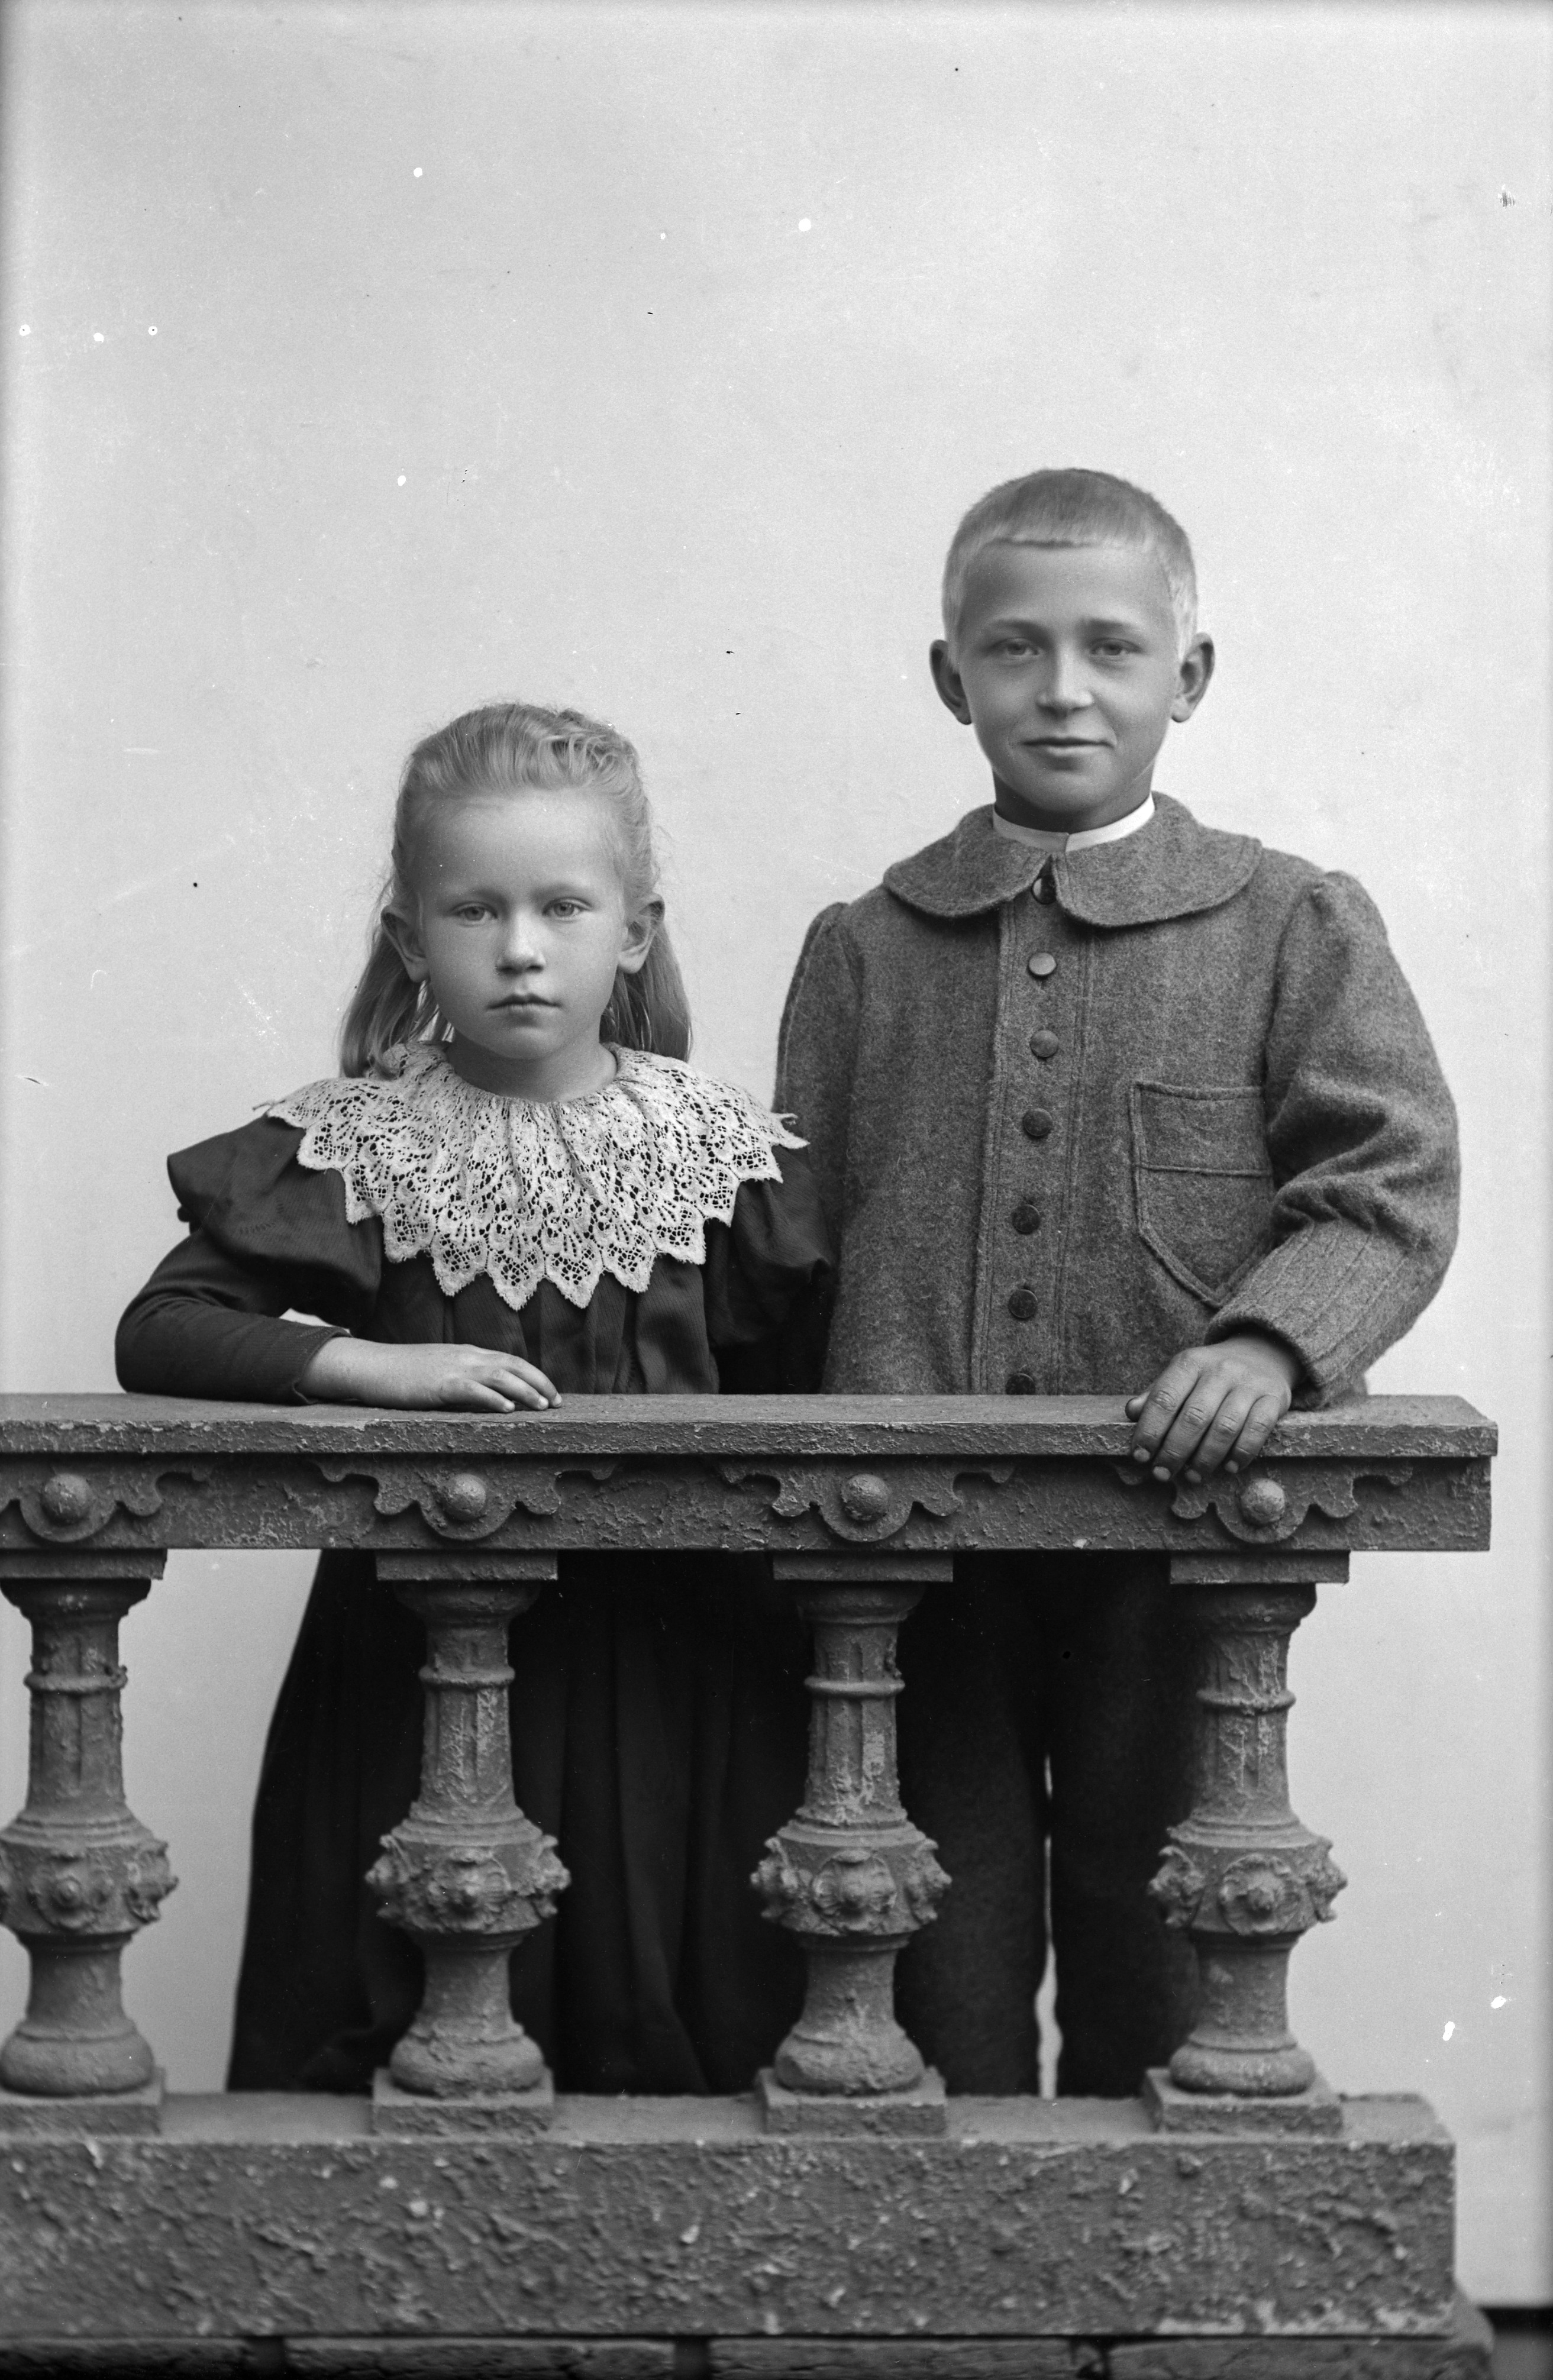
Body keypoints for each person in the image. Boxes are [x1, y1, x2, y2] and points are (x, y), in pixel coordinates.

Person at [775, 469, 1458, 2097]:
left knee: (1171, 1932)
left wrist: (1274, 1347)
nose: (1063, 689)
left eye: (1111, 648)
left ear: (1188, 675)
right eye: (1015, 649)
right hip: (910, 1552)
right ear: (951, 678)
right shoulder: (864, 947)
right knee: (920, 1932)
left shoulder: (1291, 923)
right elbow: (787, 1249)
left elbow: (1391, 1182)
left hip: (1179, 1543)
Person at [118, 700, 831, 2095]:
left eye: (561, 906)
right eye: (474, 908)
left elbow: (805, 1390)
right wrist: (376, 1370)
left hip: (679, 1667)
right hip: (413, 1657)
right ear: (409, 936)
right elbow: (164, 1327)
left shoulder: (724, 1159)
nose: (518, 947)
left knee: (674, 1998)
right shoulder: (359, 1143)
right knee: (418, 2003)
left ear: (634, 929)